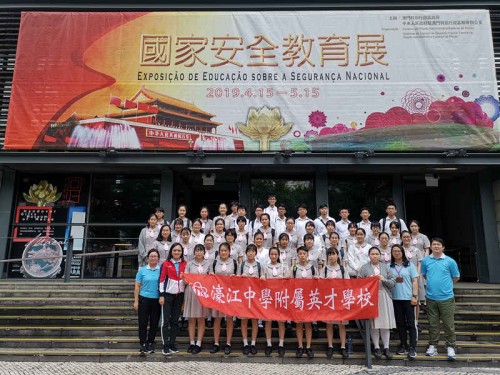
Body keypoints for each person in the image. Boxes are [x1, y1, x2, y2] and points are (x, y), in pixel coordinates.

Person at [421, 238, 460, 360]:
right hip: (431, 297)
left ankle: (451, 346)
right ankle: (433, 345)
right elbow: (424, 275)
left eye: (439, 245)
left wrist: (445, 287)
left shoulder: (450, 261)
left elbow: (455, 277)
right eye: (434, 244)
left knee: (448, 324)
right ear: (431, 247)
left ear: (443, 247)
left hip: (446, 298)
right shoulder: (426, 260)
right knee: (433, 324)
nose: (436, 246)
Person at [359, 247, 396, 360]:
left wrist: (383, 279)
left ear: (380, 255)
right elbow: (358, 283)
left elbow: (393, 282)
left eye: (376, 254)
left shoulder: (385, 267)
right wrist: (367, 280)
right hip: (370, 298)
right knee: (373, 324)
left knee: (385, 324)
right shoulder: (364, 268)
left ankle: (386, 347)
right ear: (369, 255)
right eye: (372, 254)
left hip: (384, 295)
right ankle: (376, 347)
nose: (374, 256)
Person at [389, 244, 418, 360]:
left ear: (402, 252)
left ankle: (412, 347)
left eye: (398, 251)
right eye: (394, 251)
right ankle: (403, 344)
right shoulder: (389, 266)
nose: (396, 253)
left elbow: (415, 281)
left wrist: (414, 296)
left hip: (408, 298)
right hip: (395, 299)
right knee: (400, 323)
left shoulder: (410, 265)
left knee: (411, 324)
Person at [159, 243, 187, 356]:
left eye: (179, 250)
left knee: (175, 321)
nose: (176, 252)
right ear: (171, 251)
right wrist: (161, 294)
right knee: (165, 321)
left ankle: (172, 343)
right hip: (167, 295)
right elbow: (161, 280)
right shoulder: (166, 264)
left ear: (182, 252)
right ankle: (165, 345)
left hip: (179, 296)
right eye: (174, 250)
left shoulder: (185, 264)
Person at [209, 242, 237, 355]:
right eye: (222, 251)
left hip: (230, 293)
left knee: (229, 319)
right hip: (218, 293)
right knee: (217, 318)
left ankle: (228, 343)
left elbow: (239, 278)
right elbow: (210, 275)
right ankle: (216, 343)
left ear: (229, 251)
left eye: (226, 250)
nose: (224, 252)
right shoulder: (215, 262)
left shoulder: (234, 262)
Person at [322, 247, 350, 359]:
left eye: (334, 254)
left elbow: (348, 284)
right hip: (329, 300)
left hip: (340, 300)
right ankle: (330, 346)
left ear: (338, 255)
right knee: (329, 324)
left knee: (342, 325)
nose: (332, 256)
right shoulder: (324, 269)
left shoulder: (343, 269)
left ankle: (343, 346)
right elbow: (318, 285)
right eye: (330, 254)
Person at [183, 244, 211, 354]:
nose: (198, 253)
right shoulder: (189, 264)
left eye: (201, 251)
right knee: (191, 319)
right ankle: (192, 342)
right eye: (197, 251)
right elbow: (185, 281)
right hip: (191, 293)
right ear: (194, 252)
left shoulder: (208, 264)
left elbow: (210, 280)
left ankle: (199, 342)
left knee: (201, 318)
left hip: (203, 294)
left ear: (204, 252)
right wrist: (189, 279)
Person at [134, 248, 161, 356]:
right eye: (151, 256)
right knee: (143, 322)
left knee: (154, 323)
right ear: (148, 258)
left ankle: (150, 342)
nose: (153, 258)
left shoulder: (161, 270)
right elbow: (137, 286)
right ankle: (143, 344)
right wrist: (136, 301)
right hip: (144, 299)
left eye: (155, 256)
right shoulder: (142, 271)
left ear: (158, 258)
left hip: (157, 300)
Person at [292, 246, 318, 359]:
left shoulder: (312, 267)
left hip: (309, 299)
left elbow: (317, 281)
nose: (302, 255)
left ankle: (308, 346)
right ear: (297, 255)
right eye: (300, 254)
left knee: (308, 323)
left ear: (307, 255)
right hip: (298, 298)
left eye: (304, 254)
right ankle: (300, 346)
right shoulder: (294, 268)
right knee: (298, 323)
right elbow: (289, 281)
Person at [239, 244, 264, 355]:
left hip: (255, 297)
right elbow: (236, 281)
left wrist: (258, 279)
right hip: (244, 296)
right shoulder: (242, 264)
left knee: (254, 320)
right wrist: (241, 277)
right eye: (248, 251)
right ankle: (245, 343)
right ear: (246, 253)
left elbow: (263, 280)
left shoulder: (259, 265)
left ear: (255, 253)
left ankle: (253, 343)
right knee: (244, 320)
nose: (250, 253)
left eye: (253, 251)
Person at [263, 247, 288, 357]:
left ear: (278, 255)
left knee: (280, 321)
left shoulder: (283, 266)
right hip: (268, 296)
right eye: (271, 254)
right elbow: (262, 278)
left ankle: (281, 344)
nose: (273, 256)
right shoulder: (265, 266)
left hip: (280, 296)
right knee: (268, 320)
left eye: (275, 254)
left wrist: (284, 277)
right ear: (269, 255)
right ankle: (269, 344)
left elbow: (288, 279)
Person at [401, 230, 424, 321]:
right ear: (401, 238)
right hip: (403, 278)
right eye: (404, 237)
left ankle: (416, 321)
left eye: (408, 237)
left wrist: (417, 275)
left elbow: (419, 263)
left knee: (416, 300)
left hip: (415, 277)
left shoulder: (416, 250)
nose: (406, 238)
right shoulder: (399, 249)